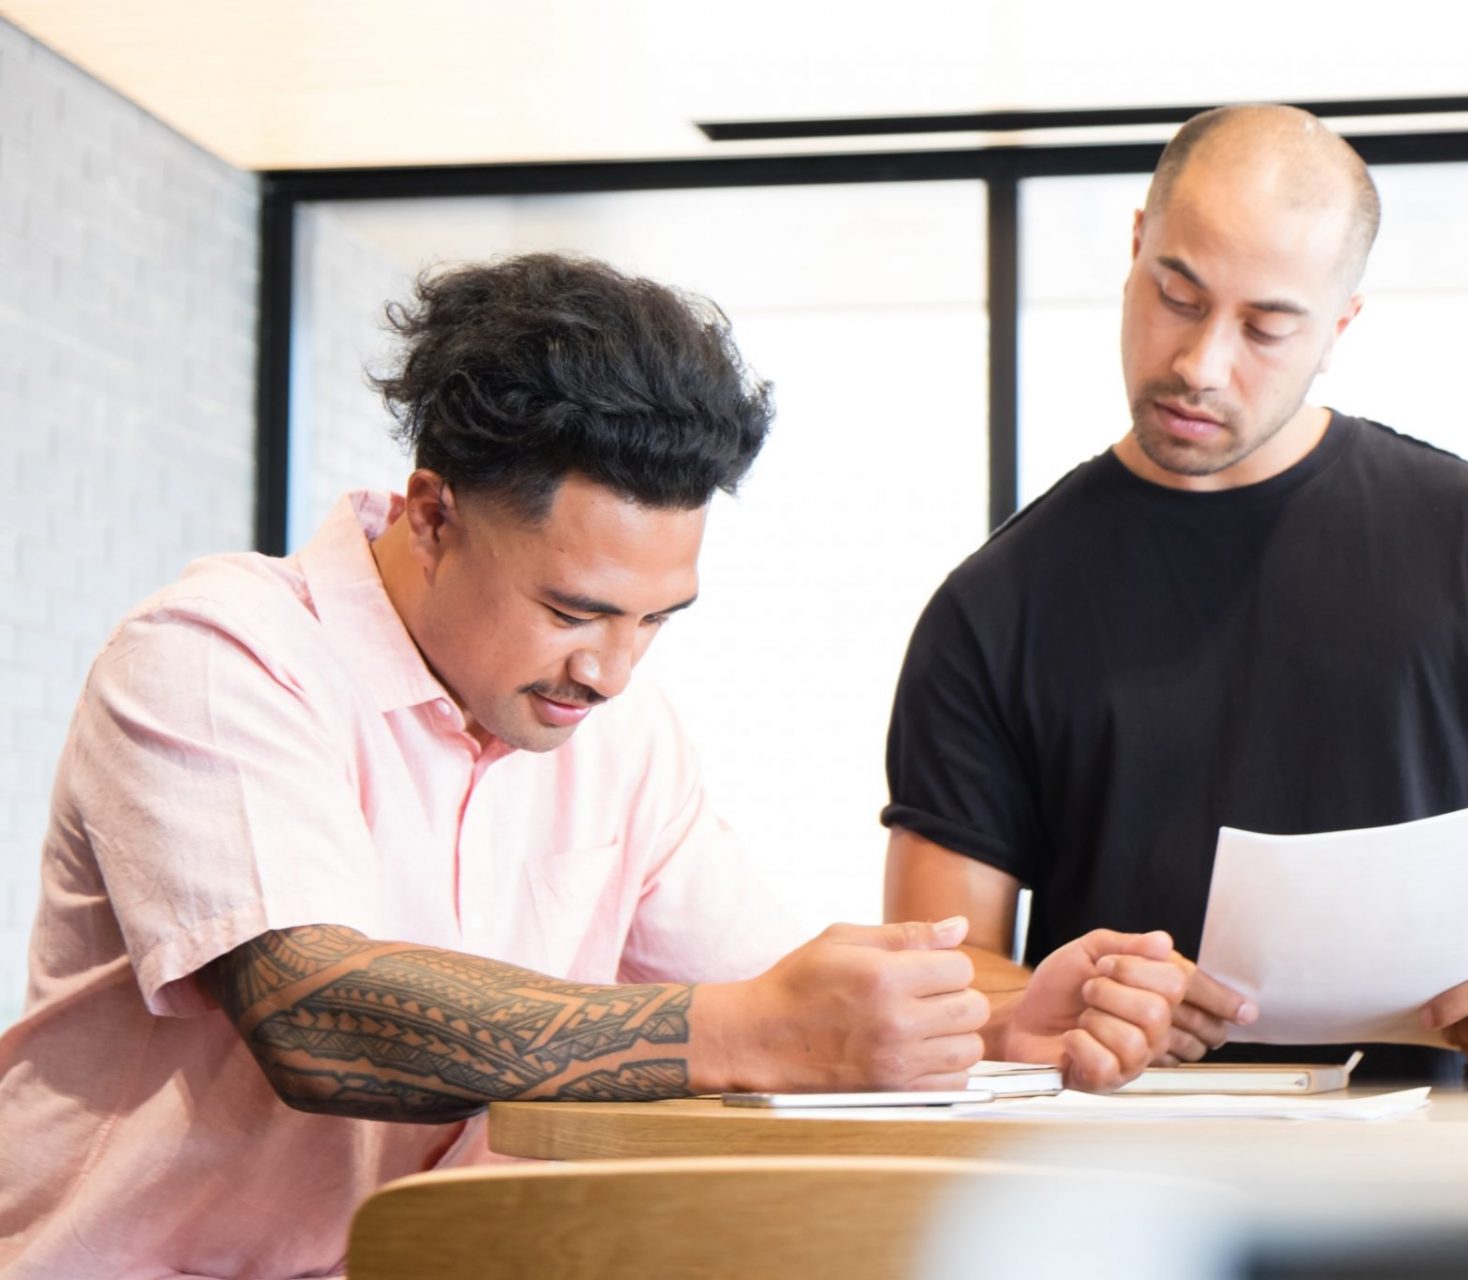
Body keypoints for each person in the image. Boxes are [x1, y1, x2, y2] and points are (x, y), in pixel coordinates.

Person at [0, 254, 1185, 1279]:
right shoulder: (222, 655)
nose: (611, 671)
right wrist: (747, 1032)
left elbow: (777, 987)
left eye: (657, 619)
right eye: (575, 609)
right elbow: (319, 1017)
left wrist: (997, 1022)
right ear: (431, 515)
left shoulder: (622, 740)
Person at [882, 104, 1468, 1084]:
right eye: (1178, 296)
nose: (1201, 364)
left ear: (1340, 324)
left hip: (1439, 1176)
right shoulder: (994, 604)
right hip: (1120, 1180)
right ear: (1139, 243)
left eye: (1267, 327)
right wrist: (1072, 997)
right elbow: (938, 972)